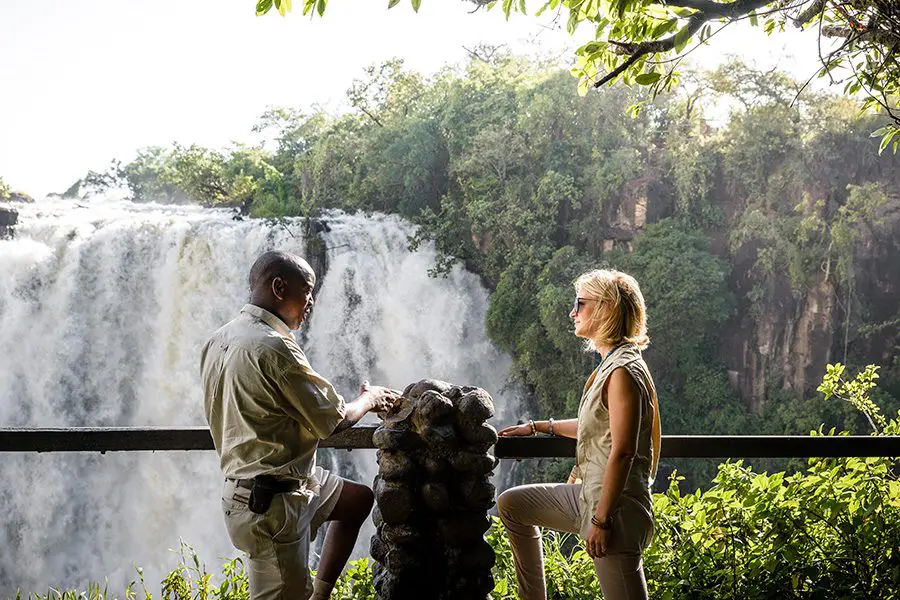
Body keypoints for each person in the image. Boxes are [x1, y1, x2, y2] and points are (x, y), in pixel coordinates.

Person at [201, 250, 399, 600]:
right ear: (279, 287)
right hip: (273, 503)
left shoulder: (219, 340)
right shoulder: (274, 347)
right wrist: (371, 399)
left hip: (261, 486)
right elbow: (334, 420)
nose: (312, 302)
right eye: (307, 291)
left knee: (355, 500)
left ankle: (318, 594)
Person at [496, 268, 662, 600]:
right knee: (513, 504)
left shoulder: (623, 372)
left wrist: (602, 522)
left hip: (612, 508)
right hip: (588, 494)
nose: (573, 312)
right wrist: (539, 427)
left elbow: (623, 451)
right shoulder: (612, 364)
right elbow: (597, 426)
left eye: (580, 303)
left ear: (606, 309)